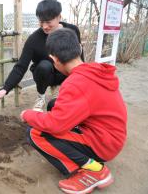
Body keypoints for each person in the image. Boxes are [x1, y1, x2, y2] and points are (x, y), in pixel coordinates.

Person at [20, 28, 127, 193]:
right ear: (80, 48)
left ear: (54, 59)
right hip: (112, 136)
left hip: (104, 144)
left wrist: (28, 114)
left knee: (36, 132)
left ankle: (94, 170)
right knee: (54, 105)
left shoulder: (76, 83)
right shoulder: (93, 70)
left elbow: (55, 125)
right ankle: (87, 159)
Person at [0, 0, 84, 112]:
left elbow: (79, 57)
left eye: (48, 22)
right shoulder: (34, 39)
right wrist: (5, 89)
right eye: (41, 22)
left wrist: (83, 79)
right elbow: (21, 66)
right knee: (44, 66)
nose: (45, 26)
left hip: (65, 74)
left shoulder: (72, 31)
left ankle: (63, 92)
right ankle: (41, 96)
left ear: (59, 17)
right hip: (45, 75)